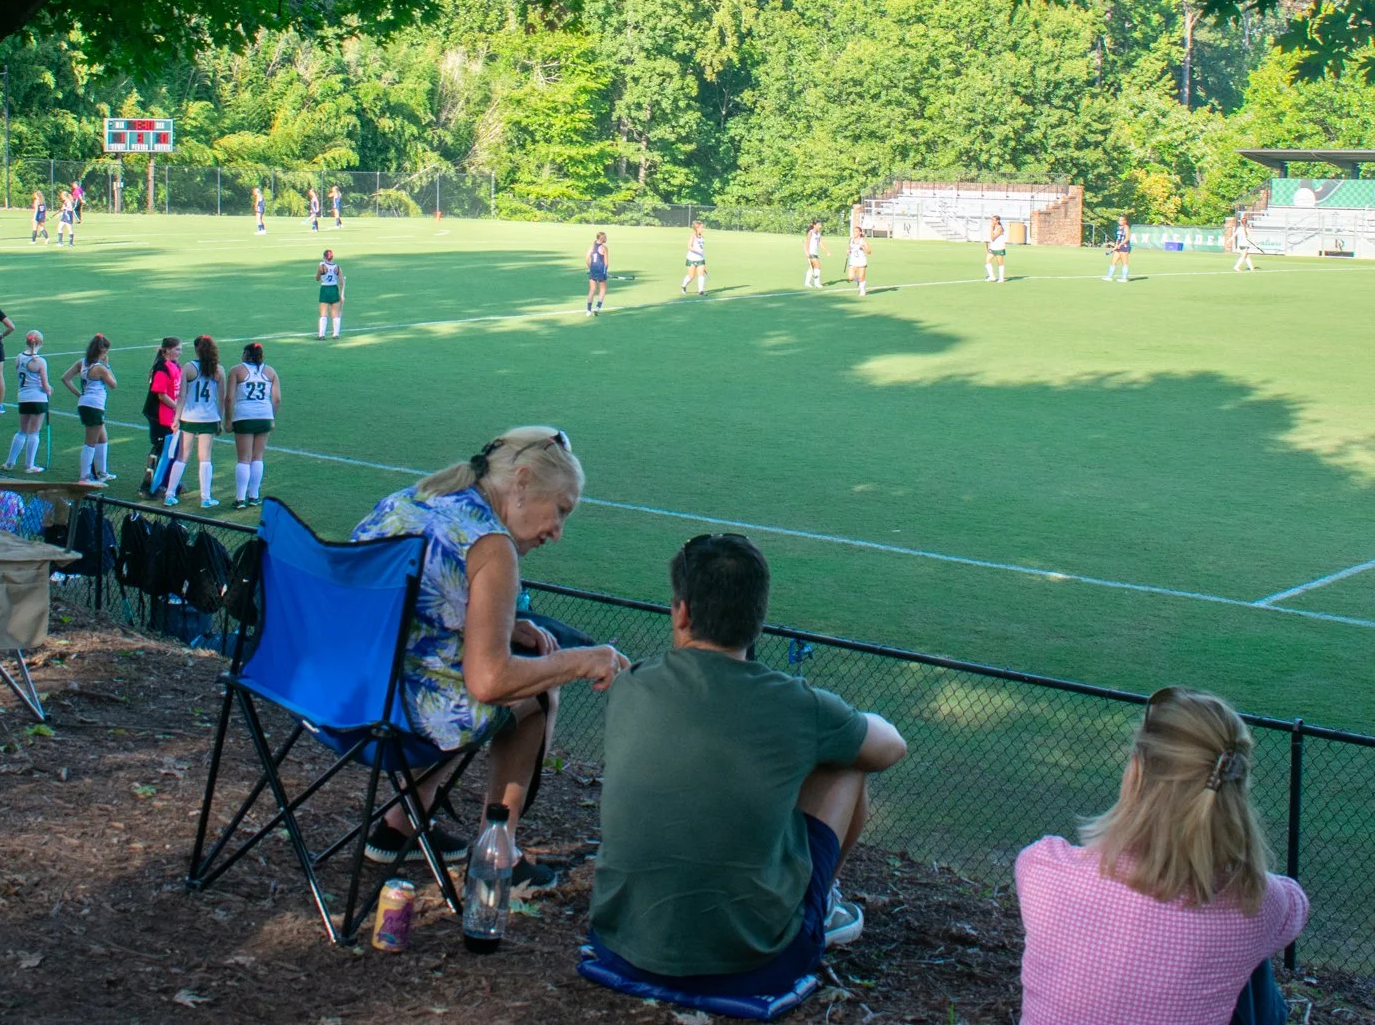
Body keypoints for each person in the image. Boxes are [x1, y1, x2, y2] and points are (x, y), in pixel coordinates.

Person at [587, 534, 906, 996]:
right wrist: (853, 721)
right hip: (758, 964)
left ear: (681, 612)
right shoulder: (799, 705)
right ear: (758, 621)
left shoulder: (631, 685)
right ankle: (823, 906)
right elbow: (889, 749)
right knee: (848, 762)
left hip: (620, 945)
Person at [349, 429, 629, 889]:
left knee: (477, 671)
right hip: (395, 715)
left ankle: (400, 825)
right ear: (521, 481)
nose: (557, 533)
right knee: (535, 696)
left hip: (335, 693)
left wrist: (494, 620)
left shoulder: (414, 498)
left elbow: (409, 602)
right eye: (561, 510)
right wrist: (582, 660)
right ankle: (496, 856)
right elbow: (490, 681)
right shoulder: (490, 545)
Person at [1016, 687, 1307, 1025]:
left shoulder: (1042, 867)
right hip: (1241, 900)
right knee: (1251, 966)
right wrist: (1228, 852)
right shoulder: (1256, 904)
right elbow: (1294, 905)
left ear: (1136, 772)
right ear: (1235, 792)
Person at [163, 335, 227, 508]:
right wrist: (219, 420)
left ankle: (169, 494)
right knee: (205, 457)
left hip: (189, 417)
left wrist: (176, 419)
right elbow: (222, 399)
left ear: (196, 349)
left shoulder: (189, 367)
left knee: (182, 456)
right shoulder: (219, 370)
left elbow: (182, 396)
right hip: (209, 418)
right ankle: (206, 498)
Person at [228, 342, 280, 509]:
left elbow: (229, 398)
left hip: (244, 416)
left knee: (244, 459)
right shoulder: (270, 371)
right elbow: (277, 399)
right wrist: (271, 417)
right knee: (258, 457)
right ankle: (254, 496)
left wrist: (227, 419)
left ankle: (240, 498)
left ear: (245, 354)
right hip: (264, 416)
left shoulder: (237, 370)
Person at [63, 334, 116, 486]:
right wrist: (107, 366)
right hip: (95, 405)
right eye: (105, 351)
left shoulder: (82, 363)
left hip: (85, 403)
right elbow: (113, 384)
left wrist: (80, 395)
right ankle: (84, 477)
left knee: (103, 438)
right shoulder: (100, 368)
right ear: (101, 351)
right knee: (90, 442)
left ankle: (102, 473)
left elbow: (65, 378)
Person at [139, 336, 182, 495]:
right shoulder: (162, 368)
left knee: (170, 450)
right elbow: (161, 395)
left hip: (168, 414)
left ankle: (166, 482)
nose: (180, 352)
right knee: (159, 449)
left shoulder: (173, 365)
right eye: (177, 349)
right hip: (159, 415)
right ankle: (147, 485)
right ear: (168, 350)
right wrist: (178, 406)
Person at [6, 330, 51, 473]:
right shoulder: (40, 362)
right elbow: (44, 385)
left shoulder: (19, 357)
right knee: (34, 432)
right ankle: (29, 465)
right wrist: (49, 390)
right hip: (38, 398)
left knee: (22, 431)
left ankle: (9, 462)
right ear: (40, 343)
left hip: (23, 397)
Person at [316, 248, 345, 339]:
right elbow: (341, 281)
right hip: (334, 289)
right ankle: (336, 334)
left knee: (323, 313)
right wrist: (341, 294)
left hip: (324, 289)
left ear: (324, 257)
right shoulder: (337, 267)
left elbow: (317, 278)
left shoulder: (322, 266)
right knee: (335, 314)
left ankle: (322, 335)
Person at [681, 221, 707, 296]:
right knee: (691, 276)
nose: (703, 229)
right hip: (691, 259)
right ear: (697, 228)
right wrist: (698, 251)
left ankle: (701, 291)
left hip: (700, 259)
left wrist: (702, 254)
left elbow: (701, 247)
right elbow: (689, 247)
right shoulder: (693, 236)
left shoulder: (702, 237)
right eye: (701, 227)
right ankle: (683, 286)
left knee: (701, 274)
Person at [585, 232, 609, 316]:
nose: (606, 239)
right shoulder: (604, 248)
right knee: (602, 289)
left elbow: (586, 258)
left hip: (593, 270)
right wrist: (605, 272)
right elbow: (606, 263)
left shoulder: (592, 246)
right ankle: (597, 308)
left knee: (592, 290)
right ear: (601, 238)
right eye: (605, 237)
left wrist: (591, 268)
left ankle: (588, 310)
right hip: (601, 270)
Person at [1104, 215, 1133, 282]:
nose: (1120, 221)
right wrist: (1116, 245)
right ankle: (1109, 277)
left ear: (1125, 221)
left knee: (1124, 263)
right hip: (1118, 246)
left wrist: (1120, 244)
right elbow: (1118, 238)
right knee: (1113, 261)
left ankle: (1124, 278)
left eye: (1122, 220)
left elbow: (1127, 238)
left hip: (1124, 246)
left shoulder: (1126, 227)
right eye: (1119, 220)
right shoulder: (1118, 228)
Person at [846, 225, 871, 297]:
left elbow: (869, 251)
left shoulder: (863, 241)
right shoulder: (851, 240)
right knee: (850, 277)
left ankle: (862, 291)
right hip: (853, 261)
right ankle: (858, 281)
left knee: (862, 277)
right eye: (854, 231)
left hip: (861, 261)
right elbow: (850, 249)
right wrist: (848, 251)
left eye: (856, 231)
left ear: (860, 233)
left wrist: (863, 248)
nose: (854, 233)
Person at [986, 215, 1009, 283]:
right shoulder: (994, 227)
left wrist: (991, 228)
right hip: (993, 248)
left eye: (993, 220)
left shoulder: (1000, 228)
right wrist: (990, 247)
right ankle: (992, 277)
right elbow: (992, 240)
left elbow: (993, 237)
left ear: (997, 221)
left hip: (999, 248)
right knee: (987, 261)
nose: (992, 221)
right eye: (992, 220)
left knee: (1000, 263)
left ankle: (1001, 278)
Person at [803, 220, 825, 288]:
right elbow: (807, 243)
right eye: (819, 225)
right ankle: (817, 283)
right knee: (818, 266)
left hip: (816, 253)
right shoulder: (810, 232)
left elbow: (820, 242)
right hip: (811, 252)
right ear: (814, 225)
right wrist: (807, 252)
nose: (820, 226)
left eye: (820, 225)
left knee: (811, 267)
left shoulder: (818, 233)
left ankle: (807, 282)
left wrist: (826, 251)